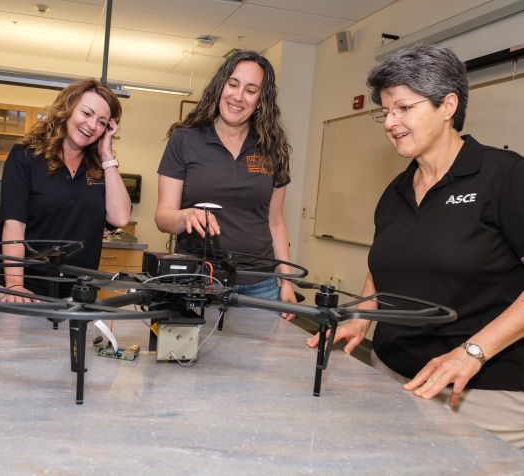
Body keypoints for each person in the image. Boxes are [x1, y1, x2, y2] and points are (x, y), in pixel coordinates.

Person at [307, 44, 523, 448]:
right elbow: (385, 263)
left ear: (448, 105)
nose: (390, 122)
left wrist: (471, 353)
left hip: (481, 388)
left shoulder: (506, 177)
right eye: (385, 112)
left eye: (403, 108)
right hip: (391, 371)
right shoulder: (396, 191)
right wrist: (362, 316)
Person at [155, 50, 297, 314]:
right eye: (233, 84)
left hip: (260, 284)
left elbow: (275, 222)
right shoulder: (184, 140)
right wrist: (186, 216)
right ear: (221, 85)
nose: (238, 96)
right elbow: (163, 217)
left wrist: (286, 281)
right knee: (191, 355)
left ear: (261, 100)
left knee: (259, 357)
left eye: (251, 90)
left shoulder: (273, 148)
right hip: (198, 280)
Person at [0, 79, 131, 301]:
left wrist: (107, 155)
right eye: (86, 113)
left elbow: (120, 218)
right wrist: (14, 285)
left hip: (80, 292)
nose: (91, 125)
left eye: (101, 122)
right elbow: (14, 224)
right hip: (28, 288)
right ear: (67, 109)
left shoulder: (100, 167)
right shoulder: (25, 156)